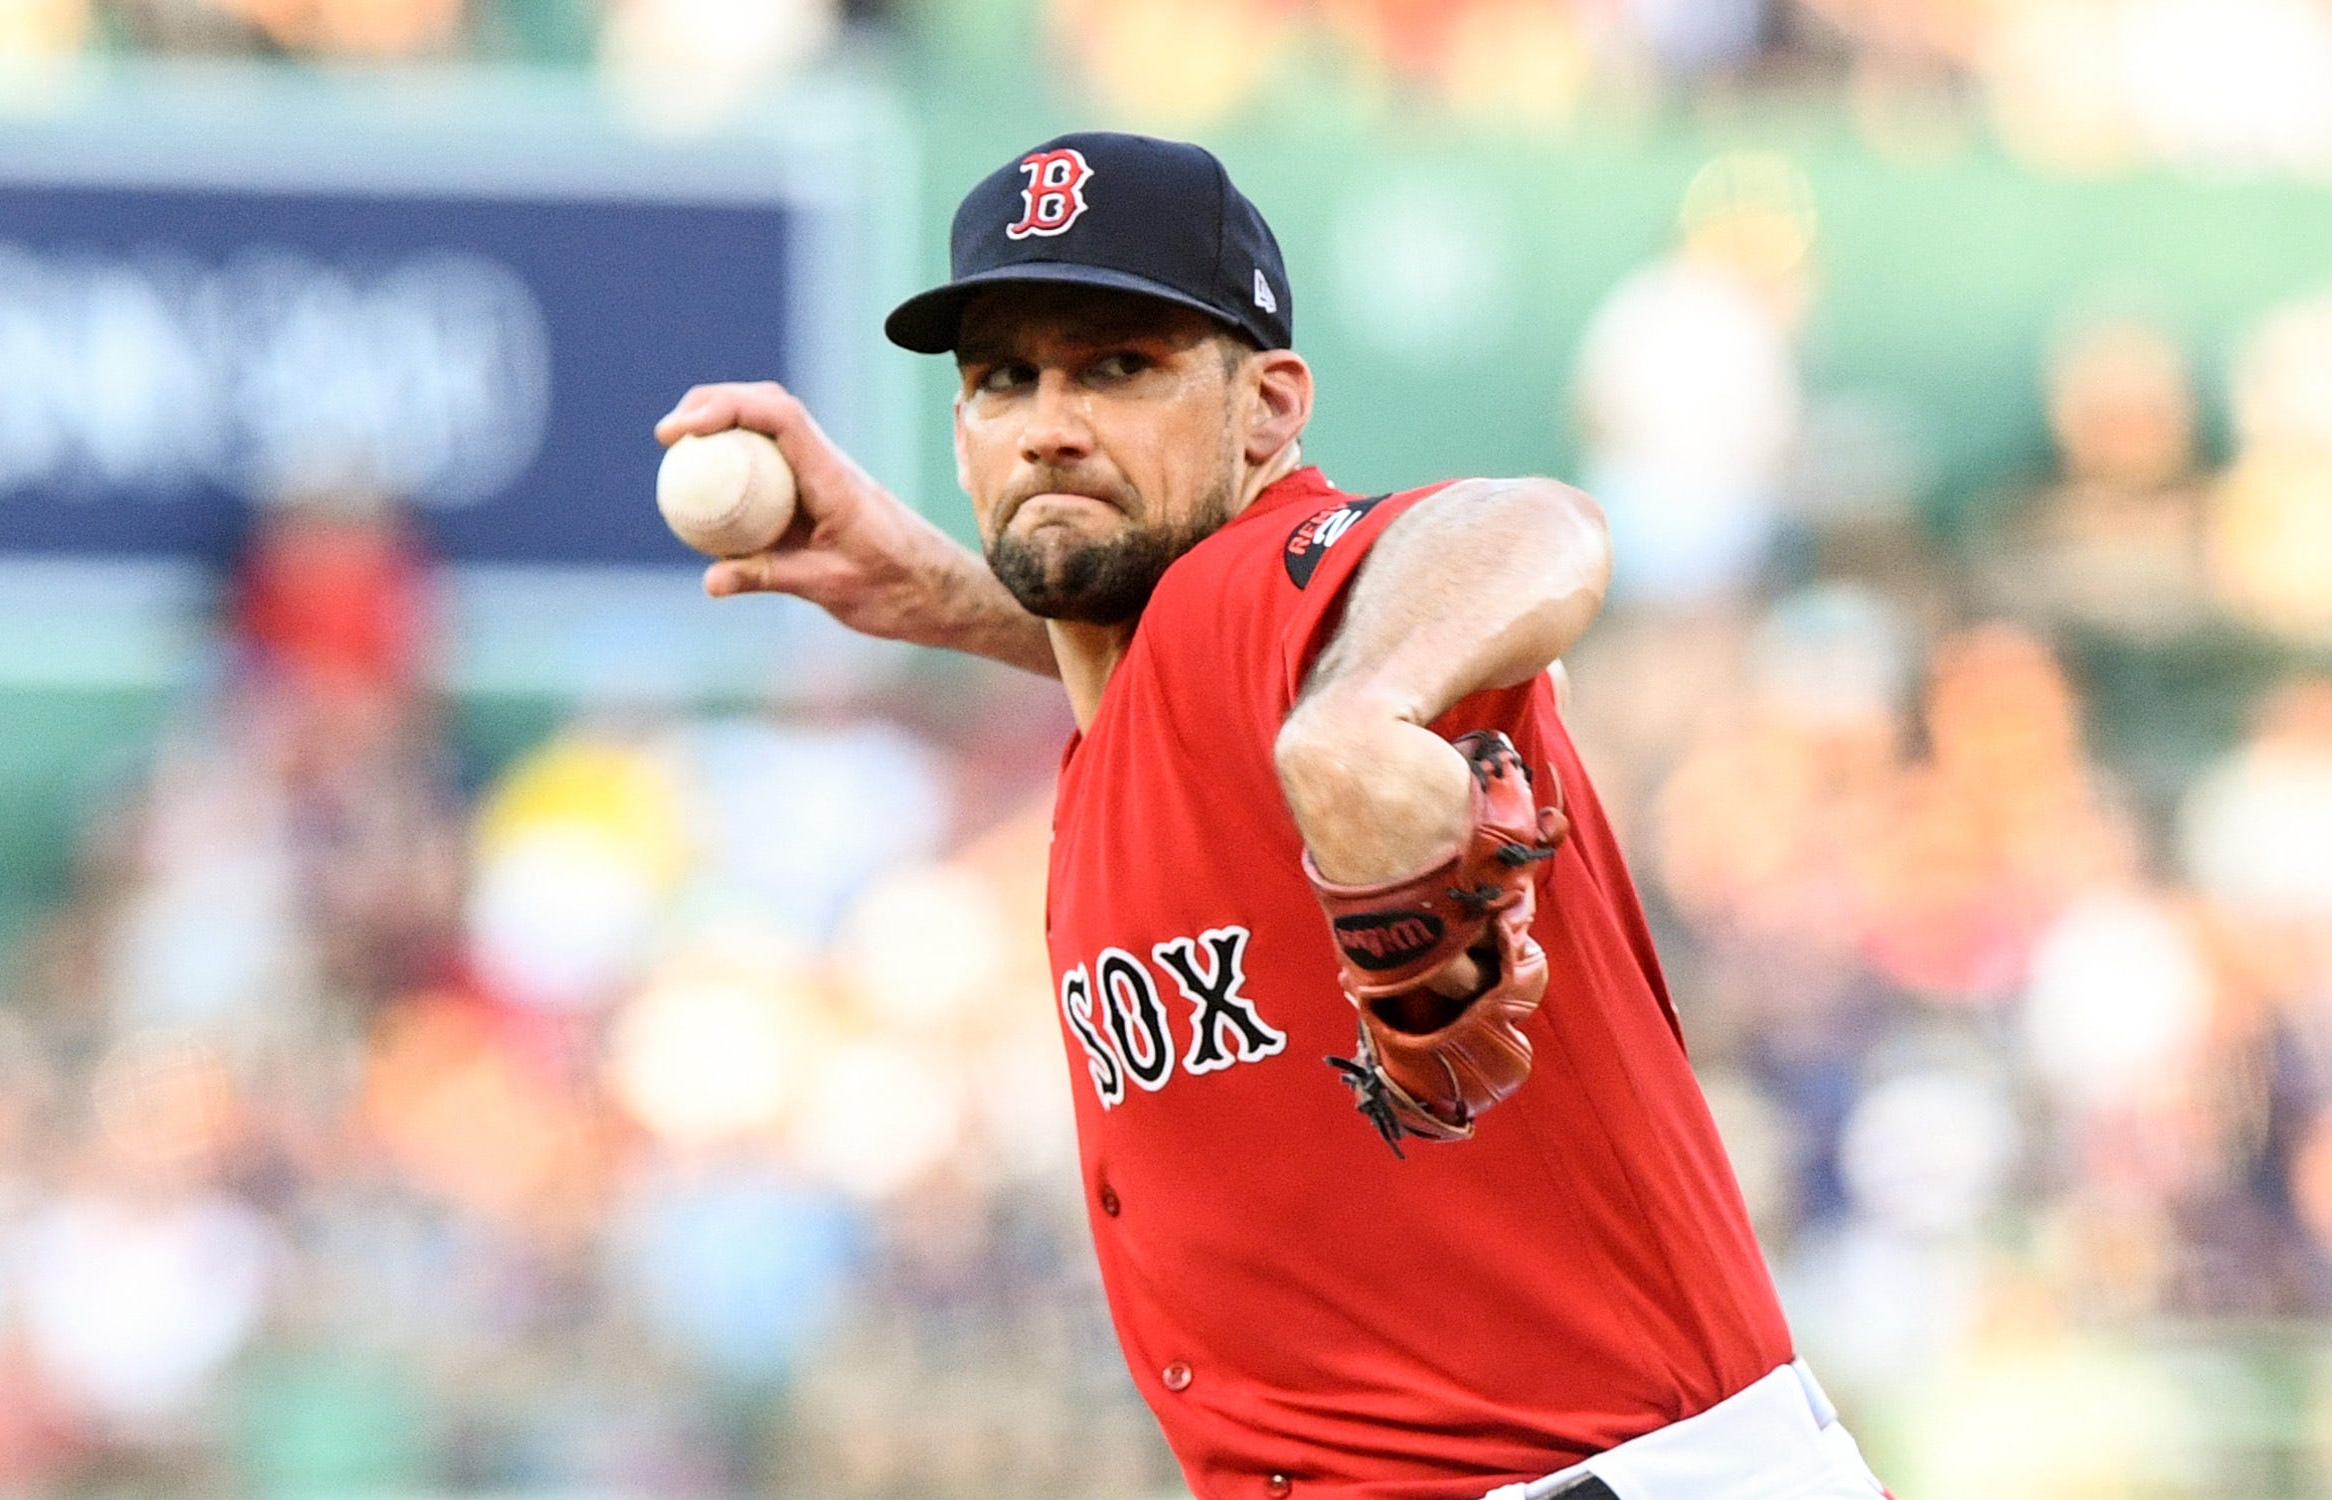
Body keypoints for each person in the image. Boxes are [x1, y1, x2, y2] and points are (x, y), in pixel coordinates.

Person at [657, 132, 1888, 1500]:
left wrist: (1368, 711)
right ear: (961, 434)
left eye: (1119, 366)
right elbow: (1170, 694)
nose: (1052, 421)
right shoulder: (1157, 695)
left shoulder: (1251, 592)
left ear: (1269, 409)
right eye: (1006, 377)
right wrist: (946, 595)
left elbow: (1527, 526)